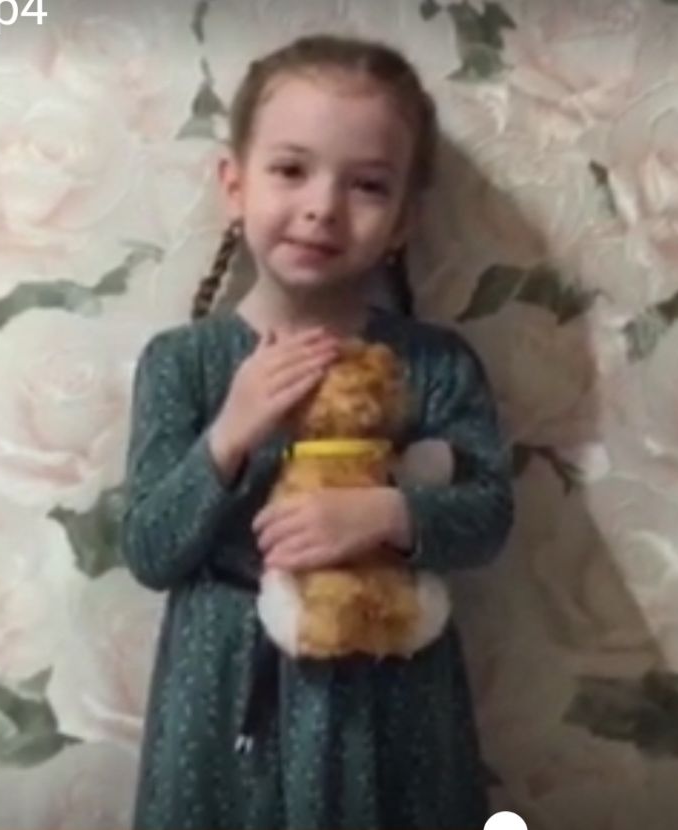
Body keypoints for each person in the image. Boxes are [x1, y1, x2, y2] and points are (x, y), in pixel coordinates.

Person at [120, 33, 514, 830]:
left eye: (367, 185)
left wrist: (388, 514)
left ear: (403, 219)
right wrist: (230, 434)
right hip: (223, 688)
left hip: (387, 689)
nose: (322, 207)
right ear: (235, 185)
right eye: (291, 170)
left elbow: (489, 516)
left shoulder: (433, 363)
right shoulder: (182, 362)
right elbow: (150, 550)